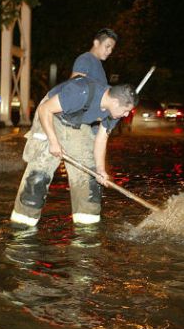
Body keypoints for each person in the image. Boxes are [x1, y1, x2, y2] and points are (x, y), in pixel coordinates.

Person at [9, 77, 137, 227]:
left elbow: (101, 139)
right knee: (38, 176)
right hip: (50, 116)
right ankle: (22, 226)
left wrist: (101, 170)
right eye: (126, 111)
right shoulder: (80, 90)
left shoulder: (114, 111)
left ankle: (87, 230)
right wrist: (54, 142)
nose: (126, 115)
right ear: (115, 102)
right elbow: (45, 110)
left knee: (91, 176)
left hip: (76, 123)